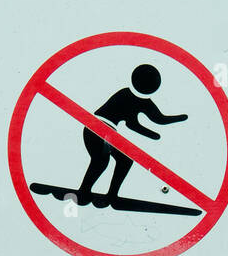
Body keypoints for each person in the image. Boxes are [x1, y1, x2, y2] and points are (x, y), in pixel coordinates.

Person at [78, 64, 187, 199]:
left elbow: (158, 119)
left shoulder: (144, 102)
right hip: (97, 127)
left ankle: (112, 195)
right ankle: (83, 192)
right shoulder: (125, 94)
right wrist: (152, 134)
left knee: (125, 161)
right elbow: (134, 124)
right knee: (101, 161)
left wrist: (180, 118)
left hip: (109, 133)